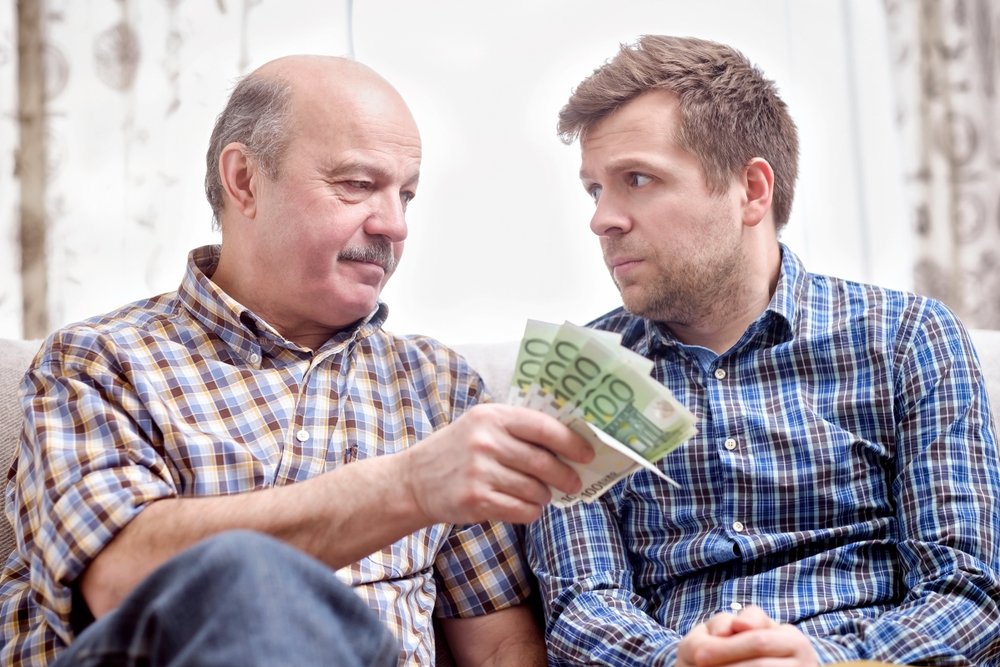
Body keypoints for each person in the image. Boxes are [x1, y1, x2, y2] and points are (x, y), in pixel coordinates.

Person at [0, 55, 595, 667]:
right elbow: (118, 578)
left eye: (406, 195)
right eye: (357, 185)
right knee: (245, 574)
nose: (394, 225)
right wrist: (410, 486)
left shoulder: (440, 388)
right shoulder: (98, 362)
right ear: (245, 180)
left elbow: (498, 645)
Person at [526, 35, 1000, 666]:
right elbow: (582, 606)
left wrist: (825, 662)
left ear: (751, 190)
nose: (602, 219)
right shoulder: (580, 370)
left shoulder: (908, 337)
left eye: (637, 179)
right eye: (594, 190)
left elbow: (969, 592)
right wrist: (682, 661)